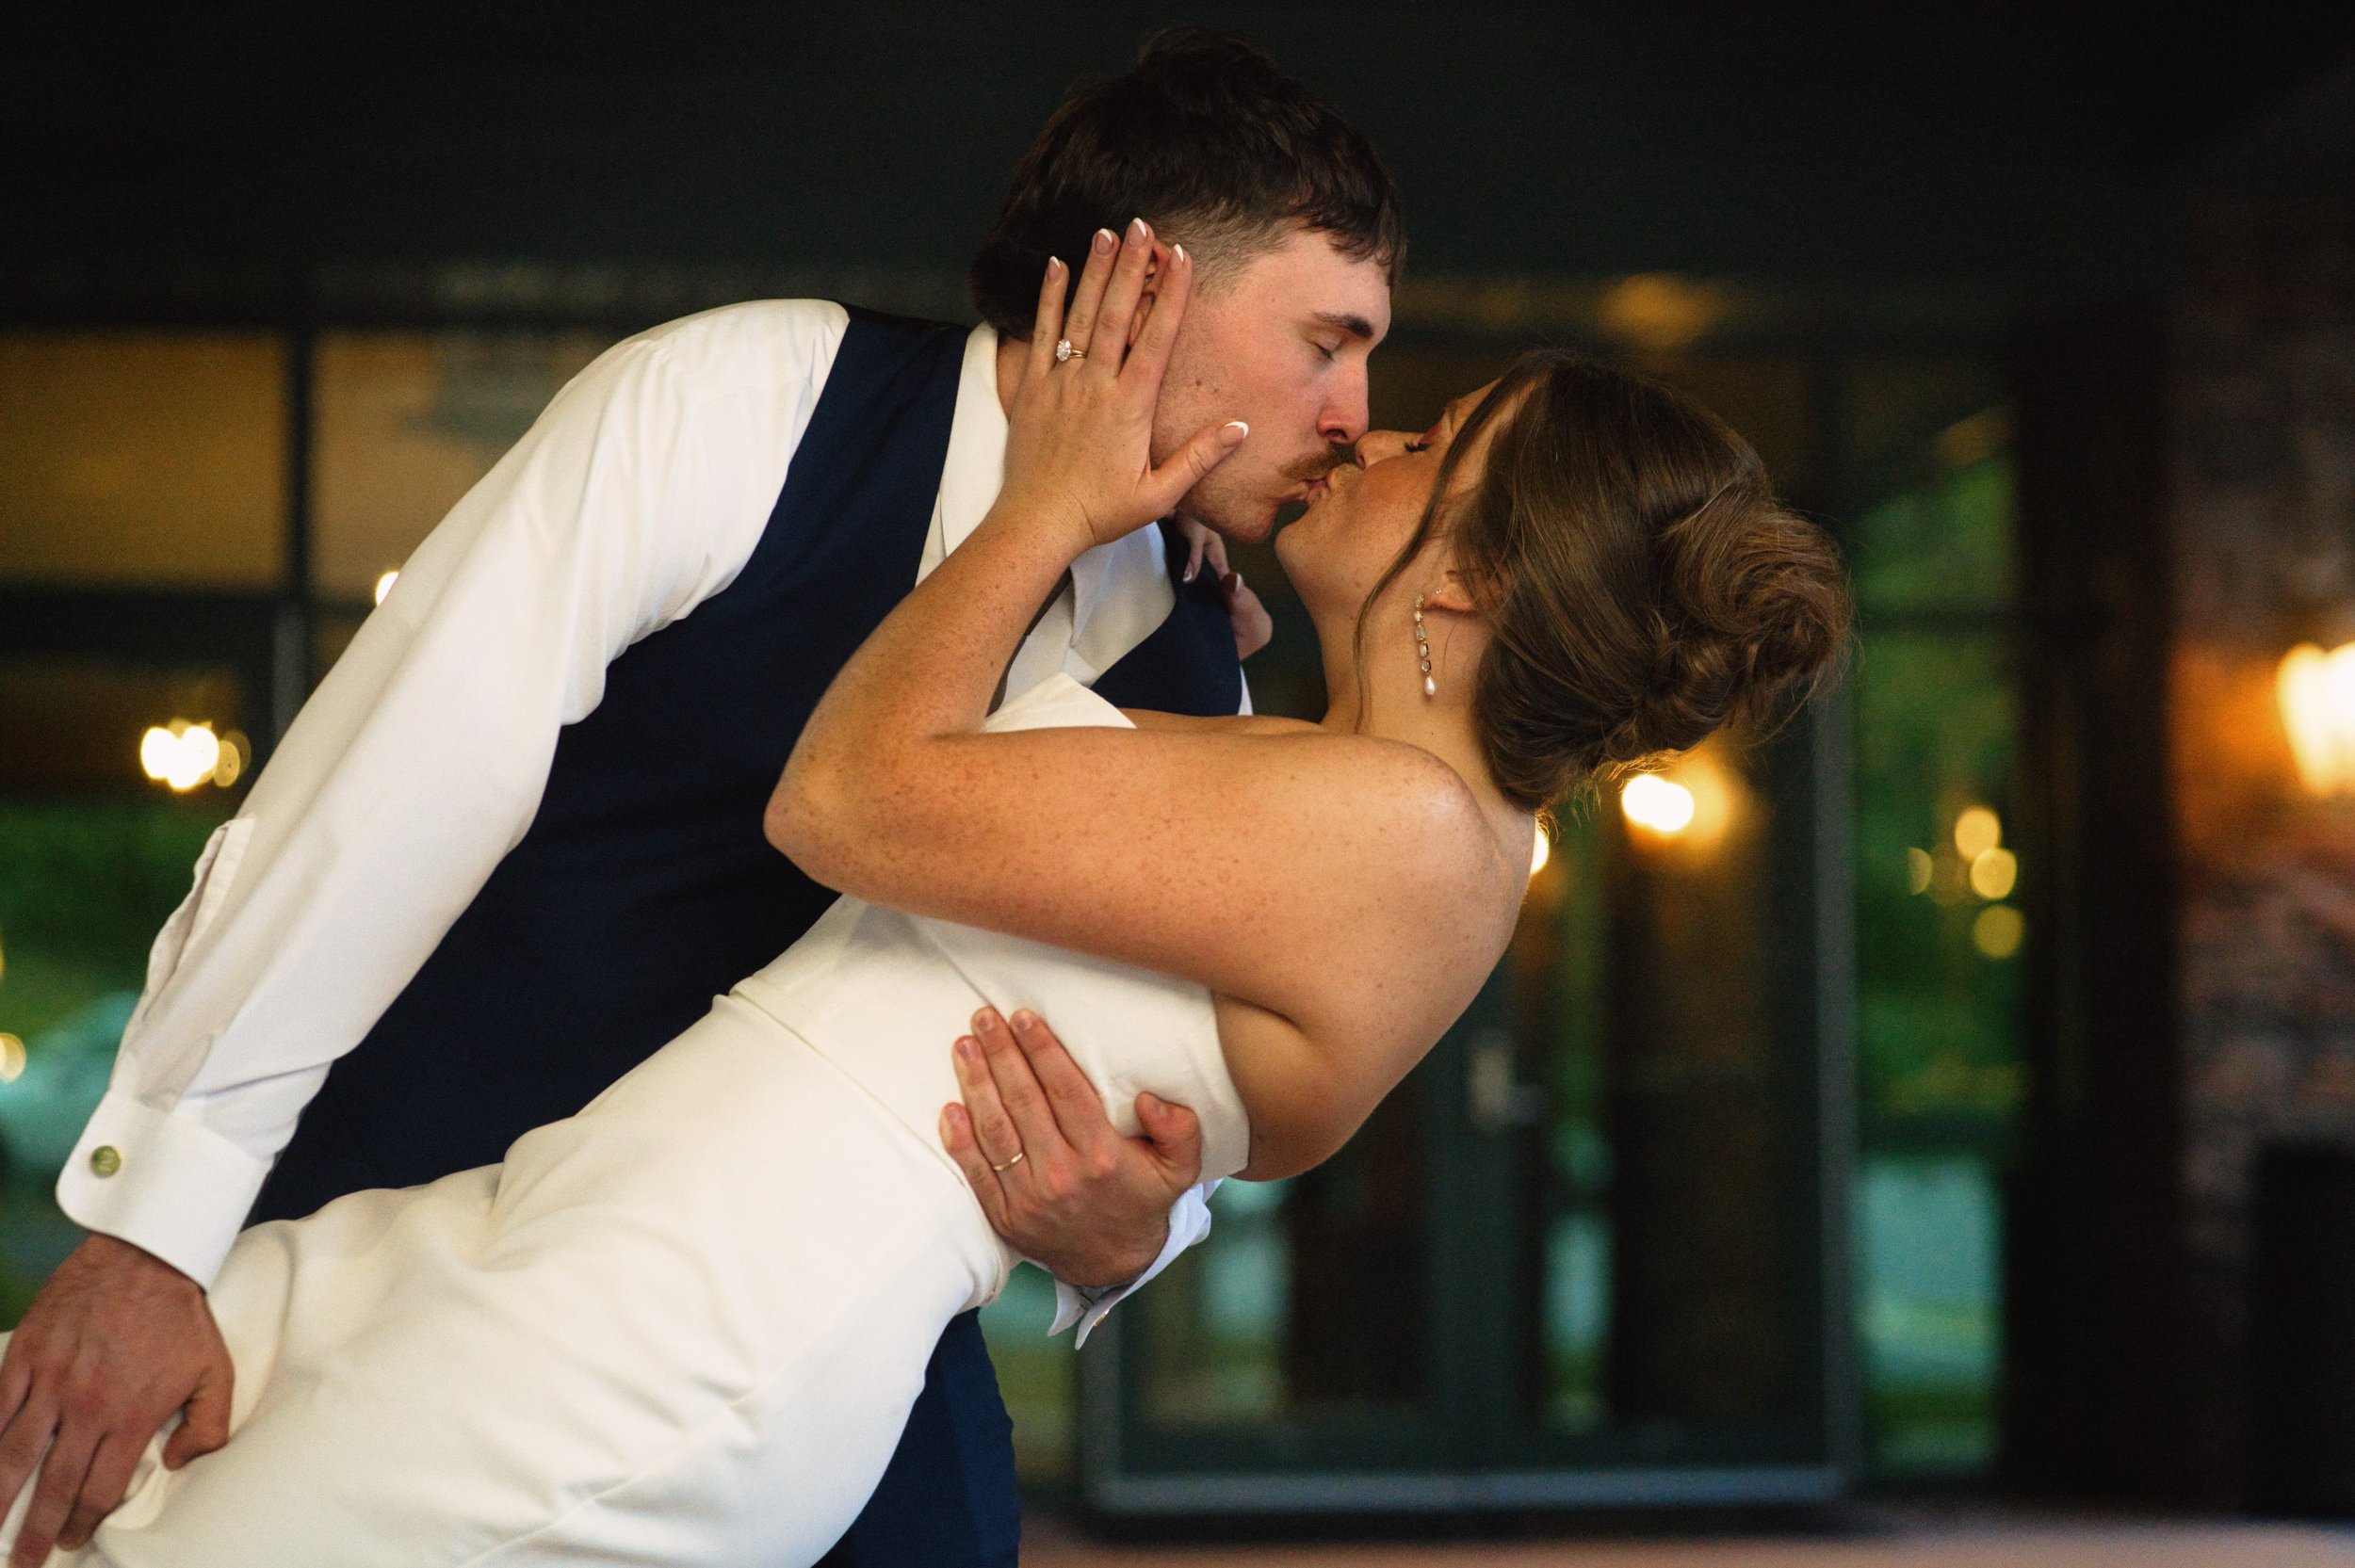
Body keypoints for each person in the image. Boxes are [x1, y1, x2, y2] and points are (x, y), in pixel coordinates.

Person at [0, 209, 1847, 1567]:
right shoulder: (1303, 760)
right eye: (1336, 348)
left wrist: (1041, 510)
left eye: (1437, 444)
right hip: (531, 1218)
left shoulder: (1406, 834)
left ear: (1463, 597)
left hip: (679, 1336)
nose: (1371, 423)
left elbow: (850, 799)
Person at [0, 30, 1404, 1568]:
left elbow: (1171, 1070)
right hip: (418, 1213)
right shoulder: (753, 403)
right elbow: (380, 795)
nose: (1351, 409)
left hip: (808, 1330)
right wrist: (153, 1235)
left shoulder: (1201, 662)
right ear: (1144, 289)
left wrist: (1138, 1231)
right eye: (1324, 340)